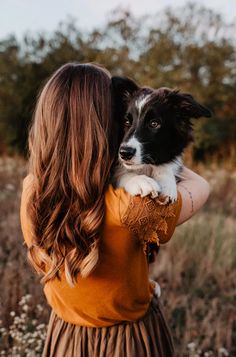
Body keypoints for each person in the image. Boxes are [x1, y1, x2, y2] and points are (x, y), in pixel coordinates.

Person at [20, 63, 210, 357]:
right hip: (129, 341)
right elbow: (202, 186)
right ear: (103, 125)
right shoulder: (136, 206)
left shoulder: (32, 190)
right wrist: (165, 169)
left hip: (65, 336)